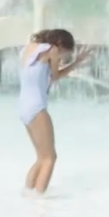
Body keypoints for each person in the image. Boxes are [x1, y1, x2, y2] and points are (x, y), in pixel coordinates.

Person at [18, 28, 91, 194]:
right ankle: (40, 202)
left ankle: (28, 194)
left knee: (41, 158)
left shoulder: (30, 47)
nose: (62, 57)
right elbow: (56, 76)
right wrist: (77, 62)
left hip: (23, 107)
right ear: (60, 44)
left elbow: (41, 74)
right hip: (36, 106)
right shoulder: (52, 50)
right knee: (50, 158)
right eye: (65, 53)